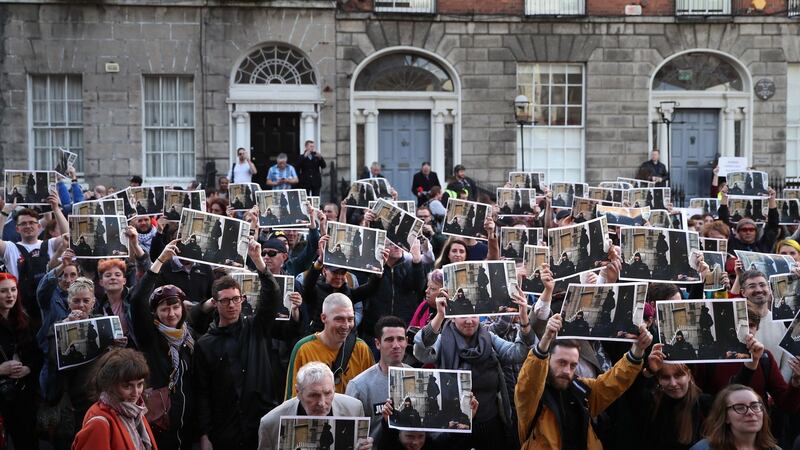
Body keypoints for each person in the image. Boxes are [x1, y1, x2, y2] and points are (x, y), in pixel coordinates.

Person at [192, 239, 294, 450]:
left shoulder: (256, 327)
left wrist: (258, 261)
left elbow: (273, 296)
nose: (232, 305)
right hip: (226, 428)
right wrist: (204, 434)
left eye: (236, 299)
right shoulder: (205, 344)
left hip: (261, 422)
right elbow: (202, 393)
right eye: (225, 301)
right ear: (215, 304)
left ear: (243, 300)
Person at [414, 287, 534, 449]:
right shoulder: (443, 340)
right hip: (454, 427)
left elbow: (517, 354)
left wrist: (524, 320)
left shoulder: (488, 337)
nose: (469, 320)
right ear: (453, 317)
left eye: (473, 315)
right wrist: (440, 315)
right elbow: (421, 351)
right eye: (463, 315)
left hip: (491, 424)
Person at [515, 313, 651, 449]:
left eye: (572, 365)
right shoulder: (532, 399)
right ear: (548, 359)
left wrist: (638, 349)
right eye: (561, 362)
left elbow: (612, 382)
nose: (567, 371)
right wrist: (545, 340)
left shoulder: (581, 389)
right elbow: (529, 381)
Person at [129, 240, 197, 450]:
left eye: (175, 308)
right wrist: (160, 261)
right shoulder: (150, 336)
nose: (171, 314)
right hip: (161, 422)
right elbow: (137, 300)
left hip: (189, 421)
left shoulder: (190, 336)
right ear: (155, 313)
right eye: (164, 309)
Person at [257, 362, 370, 450]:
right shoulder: (271, 423)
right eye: (313, 395)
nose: (321, 402)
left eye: (328, 393)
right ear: (298, 392)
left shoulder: (354, 408)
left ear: (334, 389)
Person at [285, 293, 374, 398]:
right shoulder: (304, 349)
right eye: (339, 319)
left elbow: (371, 395)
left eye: (350, 319)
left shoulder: (361, 349)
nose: (346, 326)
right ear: (323, 318)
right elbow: (293, 400)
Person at [72, 348, 157, 450]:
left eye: (140, 384)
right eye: (127, 386)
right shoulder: (99, 424)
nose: (136, 393)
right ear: (110, 385)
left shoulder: (135, 410)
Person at [346, 316, 411, 430]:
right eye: (389, 339)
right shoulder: (359, 386)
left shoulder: (418, 376)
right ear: (377, 343)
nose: (396, 345)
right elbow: (349, 432)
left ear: (406, 341)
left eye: (400, 339)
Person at [0, 273, 41, 450]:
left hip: (23, 395)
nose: (10, 295)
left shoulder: (24, 320)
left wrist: (28, 369)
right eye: (3, 291)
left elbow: (37, 354)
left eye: (13, 290)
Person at [689, 384, 780, 450]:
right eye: (740, 408)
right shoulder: (703, 448)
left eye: (755, 406)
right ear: (725, 417)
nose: (750, 412)